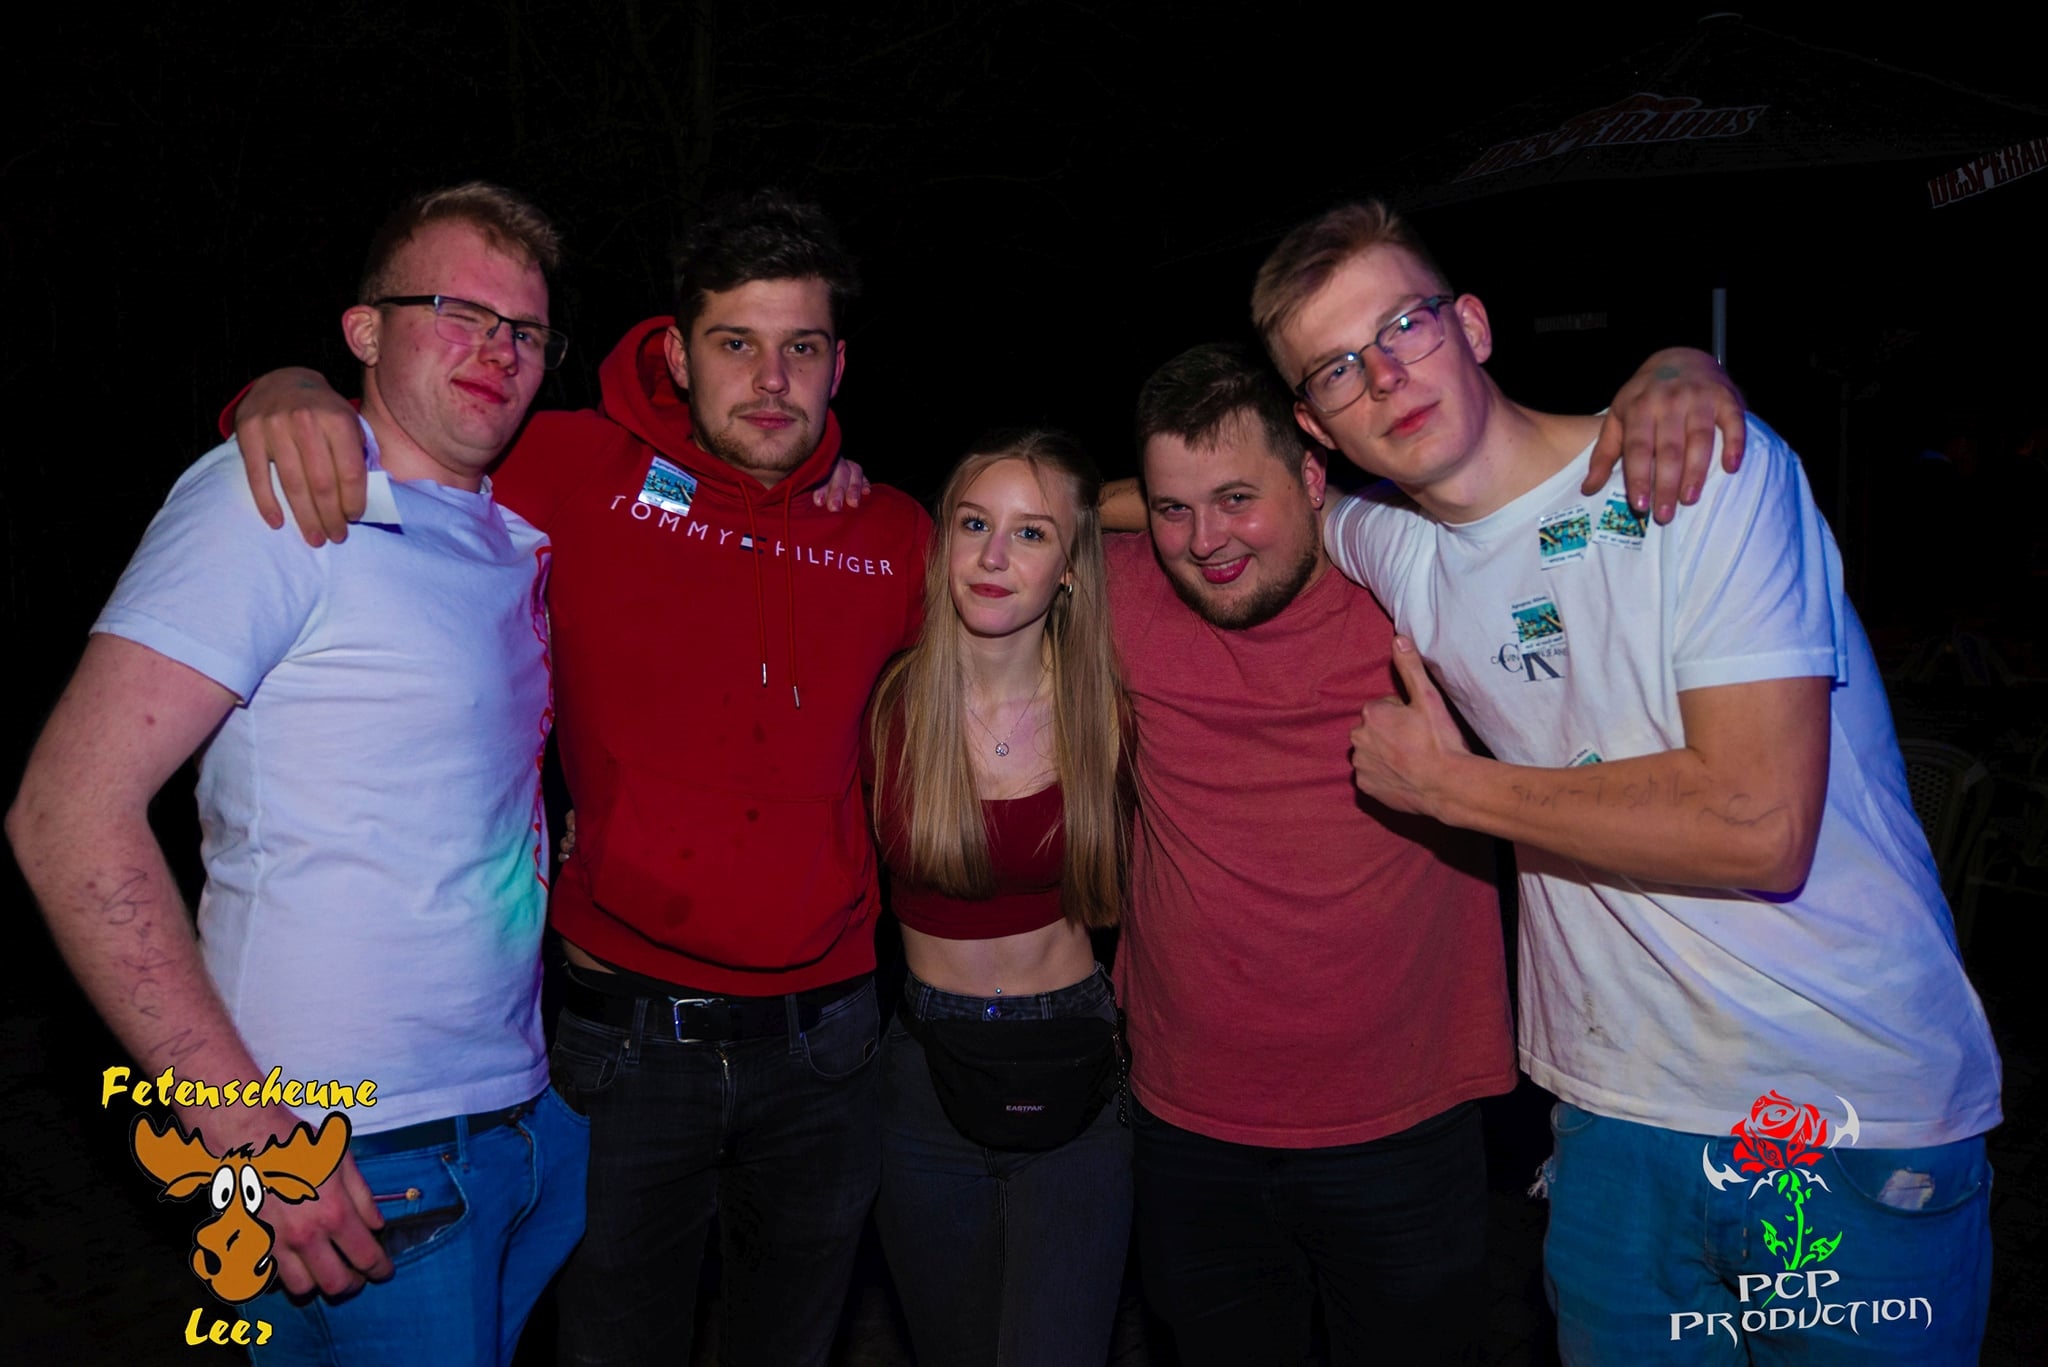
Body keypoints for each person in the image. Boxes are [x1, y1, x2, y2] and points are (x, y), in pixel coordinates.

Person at [1258, 200, 2003, 1362]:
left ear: (1470, 324)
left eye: (1402, 325)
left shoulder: (1698, 466)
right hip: (1611, 1118)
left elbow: (1756, 824)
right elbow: (1236, 506)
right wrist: (1062, 505)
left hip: (1839, 1106)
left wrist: (1450, 787)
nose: (1384, 374)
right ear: (1318, 426)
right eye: (1337, 367)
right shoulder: (1401, 546)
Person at [225, 189, 930, 1367]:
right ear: (677, 353)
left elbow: (1047, 551)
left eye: (801, 348)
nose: (771, 380)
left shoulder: (893, 531)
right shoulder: (567, 469)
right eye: (735, 343)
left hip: (829, 1044)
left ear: (837, 364)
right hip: (623, 1043)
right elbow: (384, 432)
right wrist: (281, 388)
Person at [7, 183, 588, 1364]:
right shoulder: (271, 497)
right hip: (345, 1149)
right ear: (364, 329)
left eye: (524, 329)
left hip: (521, 1123)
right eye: (457, 310)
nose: (497, 348)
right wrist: (244, 1130)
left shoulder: (507, 532)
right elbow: (66, 814)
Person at [1101, 336, 1742, 1365]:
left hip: (1403, 1121)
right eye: (1172, 508)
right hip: (1185, 1122)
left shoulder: (1420, 581)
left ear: (1315, 478)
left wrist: (1678, 366)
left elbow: (1537, 496)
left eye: (1236, 499)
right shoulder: (1116, 592)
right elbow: (997, 532)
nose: (1204, 540)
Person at [862, 428, 1131, 1366]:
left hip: (1079, 1057)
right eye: (974, 524)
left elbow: (1211, 507)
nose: (991, 556)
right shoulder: (886, 702)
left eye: (1031, 532)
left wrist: (1089, 504)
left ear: (1072, 566)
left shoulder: (1113, 709)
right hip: (922, 1066)